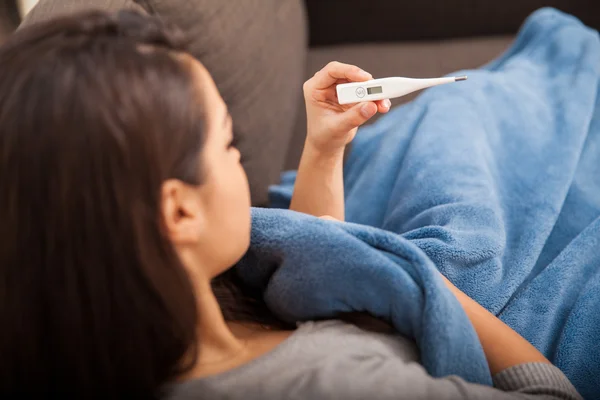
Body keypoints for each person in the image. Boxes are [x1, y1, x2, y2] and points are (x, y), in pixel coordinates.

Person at [0, 10, 582, 400]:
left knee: (469, 109)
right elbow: (549, 392)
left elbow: (313, 249)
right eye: (227, 145)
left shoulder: (174, 309)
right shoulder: (336, 383)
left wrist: (324, 149)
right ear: (178, 213)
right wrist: (418, 272)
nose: (239, 162)